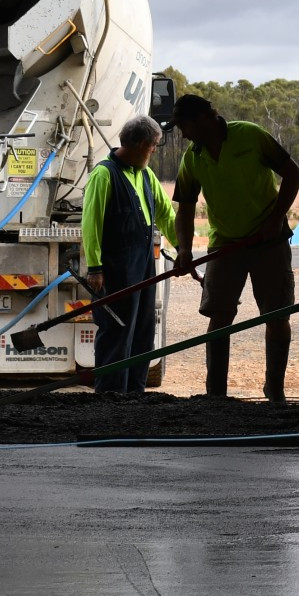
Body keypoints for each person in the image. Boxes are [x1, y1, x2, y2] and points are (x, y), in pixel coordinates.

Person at [169, 94, 299, 402]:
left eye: (184, 126)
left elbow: (293, 173)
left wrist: (275, 218)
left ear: (202, 119)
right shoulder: (193, 157)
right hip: (226, 243)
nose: (183, 135)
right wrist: (185, 250)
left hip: (268, 240)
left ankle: (275, 390)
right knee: (219, 315)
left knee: (277, 316)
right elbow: (185, 208)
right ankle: (216, 394)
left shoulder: (250, 135)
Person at [79, 115, 179, 394]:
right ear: (137, 144)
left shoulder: (146, 174)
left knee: (143, 332)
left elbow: (166, 213)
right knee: (117, 332)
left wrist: (183, 248)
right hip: (114, 269)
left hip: (144, 265)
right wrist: (95, 268)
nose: (155, 151)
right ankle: (111, 398)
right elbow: (91, 223)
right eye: (153, 145)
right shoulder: (104, 174)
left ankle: (135, 396)